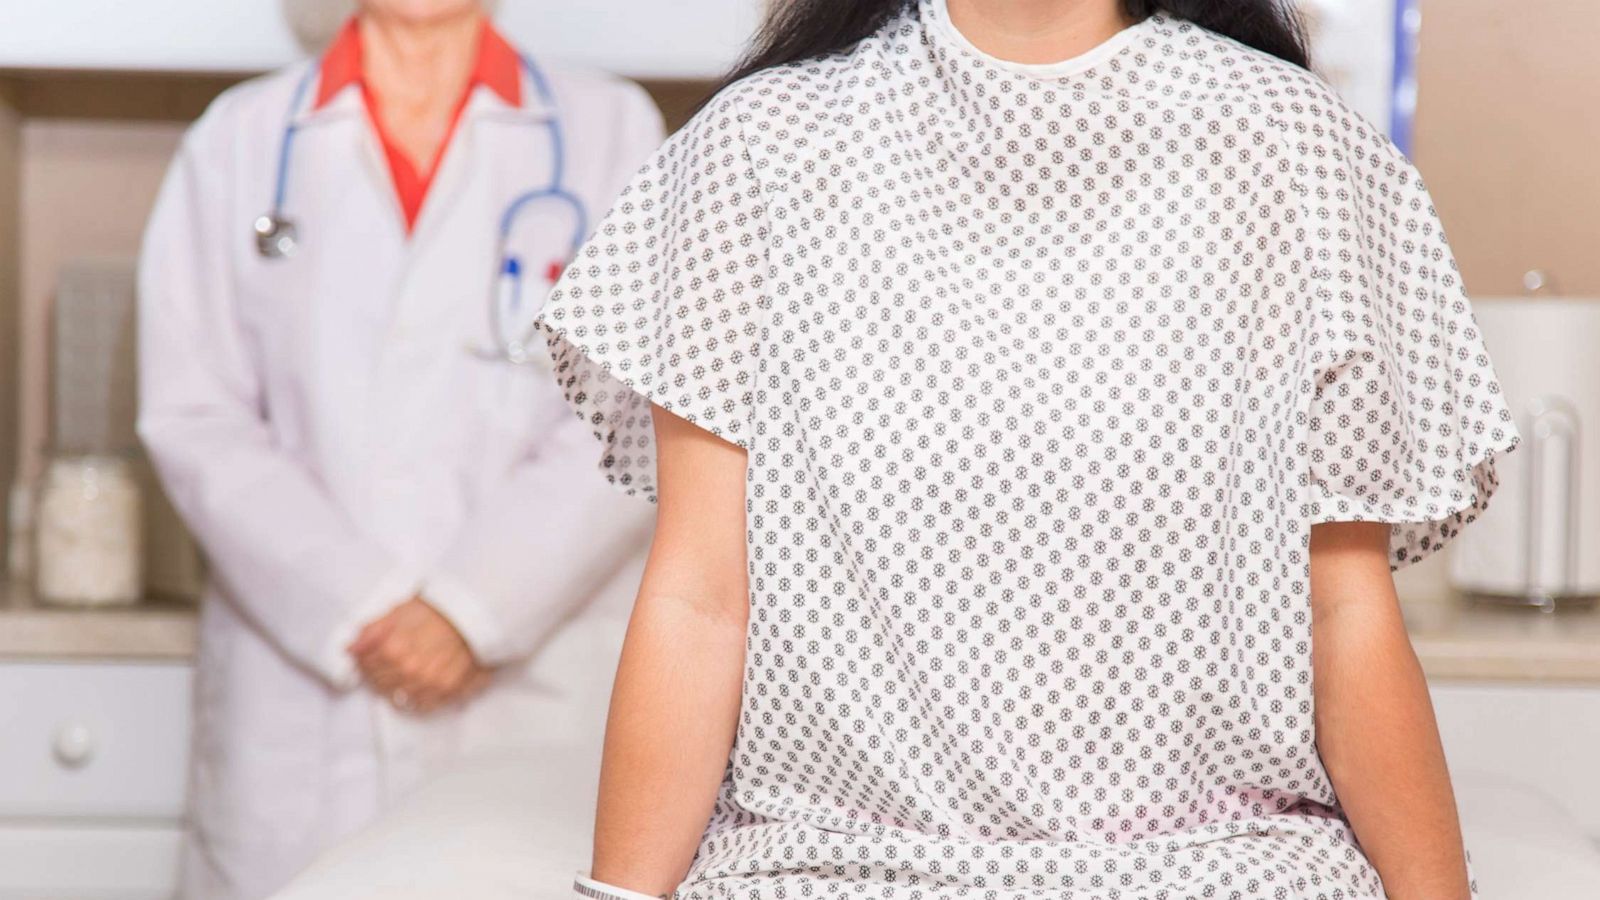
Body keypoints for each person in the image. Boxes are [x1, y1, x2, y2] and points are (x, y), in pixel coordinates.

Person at [534, 0, 1523, 898]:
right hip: (824, 862)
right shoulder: (759, 148)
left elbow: (1339, 606)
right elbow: (701, 598)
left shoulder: (1289, 142)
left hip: (1223, 865)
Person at [137, 2, 662, 897]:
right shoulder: (239, 139)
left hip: (530, 683)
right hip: (305, 689)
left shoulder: (614, 131)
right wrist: (364, 603)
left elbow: (634, 410)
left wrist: (471, 608)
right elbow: (195, 416)